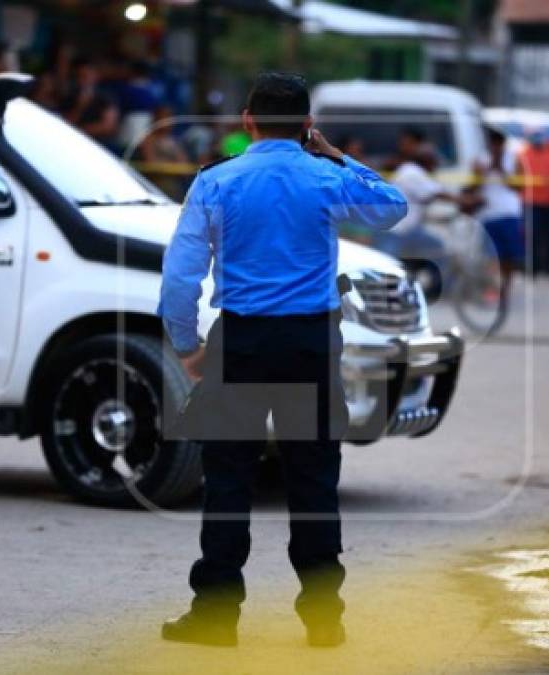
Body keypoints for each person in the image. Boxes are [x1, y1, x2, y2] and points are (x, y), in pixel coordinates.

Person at [157, 72, 407, 648]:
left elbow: (180, 277)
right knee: (314, 479)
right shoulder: (324, 176)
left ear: (248, 121)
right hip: (311, 345)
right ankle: (324, 620)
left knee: (227, 481)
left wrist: (187, 347)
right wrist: (336, 154)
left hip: (240, 343)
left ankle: (216, 617)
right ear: (306, 126)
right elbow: (391, 208)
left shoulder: (216, 182)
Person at [465, 126, 525, 308]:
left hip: (510, 213)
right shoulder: (480, 161)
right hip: (489, 215)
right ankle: (492, 289)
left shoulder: (513, 160)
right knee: (491, 256)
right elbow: (472, 187)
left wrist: (501, 170)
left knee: (510, 257)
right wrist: (485, 173)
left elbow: (519, 187)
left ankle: (505, 289)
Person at [516, 128, 549, 277]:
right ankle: (534, 268)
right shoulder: (524, 154)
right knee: (533, 237)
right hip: (531, 202)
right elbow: (518, 174)